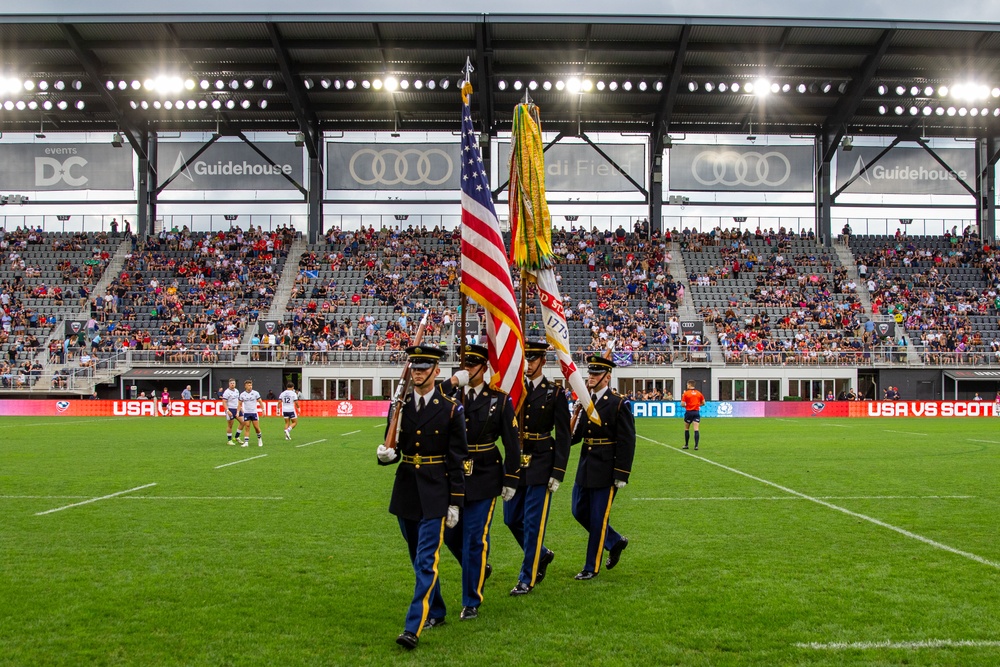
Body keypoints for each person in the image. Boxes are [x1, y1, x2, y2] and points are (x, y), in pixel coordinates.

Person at [375, 345, 467, 650]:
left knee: (427, 559)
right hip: (406, 490)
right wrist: (386, 456)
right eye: (414, 366)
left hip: (436, 491)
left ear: (436, 371)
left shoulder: (451, 409)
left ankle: (413, 626)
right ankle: (437, 611)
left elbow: (457, 459)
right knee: (417, 557)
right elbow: (395, 446)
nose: (417, 372)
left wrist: (455, 501)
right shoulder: (399, 406)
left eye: (424, 367)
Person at [441, 344, 520, 619]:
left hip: (486, 473)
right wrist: (452, 382)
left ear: (484, 369)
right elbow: (430, 399)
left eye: (473, 366)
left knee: (475, 537)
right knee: (451, 535)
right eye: (465, 365)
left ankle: (471, 601)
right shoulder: (452, 395)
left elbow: (512, 442)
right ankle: (479, 567)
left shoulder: (499, 399)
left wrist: (511, 478)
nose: (468, 370)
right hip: (454, 475)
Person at [504, 340, 570, 596]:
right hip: (517, 462)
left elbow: (563, 435)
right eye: (525, 360)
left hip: (542, 462)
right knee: (511, 519)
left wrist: (558, 472)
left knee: (533, 523)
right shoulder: (515, 391)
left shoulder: (554, 393)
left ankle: (526, 578)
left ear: (543, 361)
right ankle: (541, 554)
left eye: (532, 360)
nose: (528, 364)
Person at [570, 355, 635, 581]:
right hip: (586, 464)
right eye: (590, 373)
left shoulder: (618, 403)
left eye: (596, 374)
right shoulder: (587, 401)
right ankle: (614, 541)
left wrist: (621, 474)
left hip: (606, 469)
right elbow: (575, 436)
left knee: (598, 519)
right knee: (578, 510)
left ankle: (591, 566)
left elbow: (627, 441)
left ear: (607, 378)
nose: (591, 377)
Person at [681, 380, 706, 450]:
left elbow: (682, 404)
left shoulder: (686, 393)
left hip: (689, 412)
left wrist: (687, 406)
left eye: (687, 385)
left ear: (689, 385)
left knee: (686, 428)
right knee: (696, 429)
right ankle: (696, 446)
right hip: (696, 412)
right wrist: (697, 405)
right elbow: (703, 403)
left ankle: (686, 445)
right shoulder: (699, 393)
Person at [239, 379, 264, 447]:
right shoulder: (242, 394)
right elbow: (239, 404)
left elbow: (260, 401)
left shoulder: (255, 393)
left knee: (256, 427)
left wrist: (263, 410)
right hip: (246, 413)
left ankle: (259, 439)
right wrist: (238, 411)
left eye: (251, 385)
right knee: (247, 426)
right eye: (249, 385)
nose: (250, 386)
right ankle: (246, 442)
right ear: (245, 386)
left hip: (254, 413)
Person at [222, 378, 244, 446]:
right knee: (230, 425)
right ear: (229, 384)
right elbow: (224, 402)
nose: (232, 384)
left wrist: (240, 408)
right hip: (230, 409)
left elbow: (238, 401)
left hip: (237, 409)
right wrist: (227, 410)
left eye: (233, 383)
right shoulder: (226, 392)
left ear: (235, 384)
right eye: (231, 383)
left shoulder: (237, 391)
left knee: (243, 422)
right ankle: (229, 440)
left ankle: (237, 437)